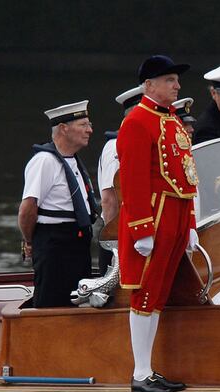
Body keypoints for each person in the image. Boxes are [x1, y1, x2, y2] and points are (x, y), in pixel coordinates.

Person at [117, 55, 198, 392]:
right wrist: (141, 229)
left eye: (176, 80)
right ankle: (140, 371)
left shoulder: (173, 120)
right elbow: (133, 180)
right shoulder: (137, 121)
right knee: (145, 293)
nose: (176, 85)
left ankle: (148, 369)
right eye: (169, 80)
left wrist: (191, 221)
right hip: (155, 214)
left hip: (176, 212)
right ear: (149, 85)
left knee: (160, 294)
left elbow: (188, 173)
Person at [18, 100, 98, 308]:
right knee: (52, 303)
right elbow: (27, 210)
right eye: (83, 125)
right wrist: (29, 241)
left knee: (77, 302)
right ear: (63, 128)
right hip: (55, 243)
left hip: (77, 241)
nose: (90, 130)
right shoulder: (45, 161)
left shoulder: (72, 160)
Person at [96, 85, 143, 271]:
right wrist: (115, 246)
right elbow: (109, 200)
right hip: (118, 236)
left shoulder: (142, 141)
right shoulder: (115, 146)